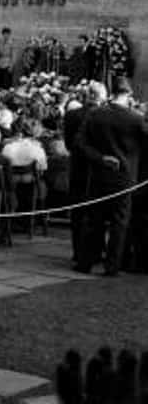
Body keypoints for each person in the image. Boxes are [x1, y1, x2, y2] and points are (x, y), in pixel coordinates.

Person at [77, 77, 148, 276]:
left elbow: (80, 143)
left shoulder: (95, 114)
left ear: (111, 92)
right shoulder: (135, 119)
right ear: (129, 94)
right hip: (125, 178)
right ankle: (112, 266)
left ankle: (85, 263)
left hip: (98, 175)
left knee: (93, 221)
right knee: (119, 223)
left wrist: (100, 158)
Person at [63, 81, 107, 268]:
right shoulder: (104, 115)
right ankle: (94, 252)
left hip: (77, 167)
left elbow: (67, 144)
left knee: (78, 212)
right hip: (97, 168)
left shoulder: (72, 115)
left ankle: (78, 251)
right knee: (96, 212)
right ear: (102, 97)